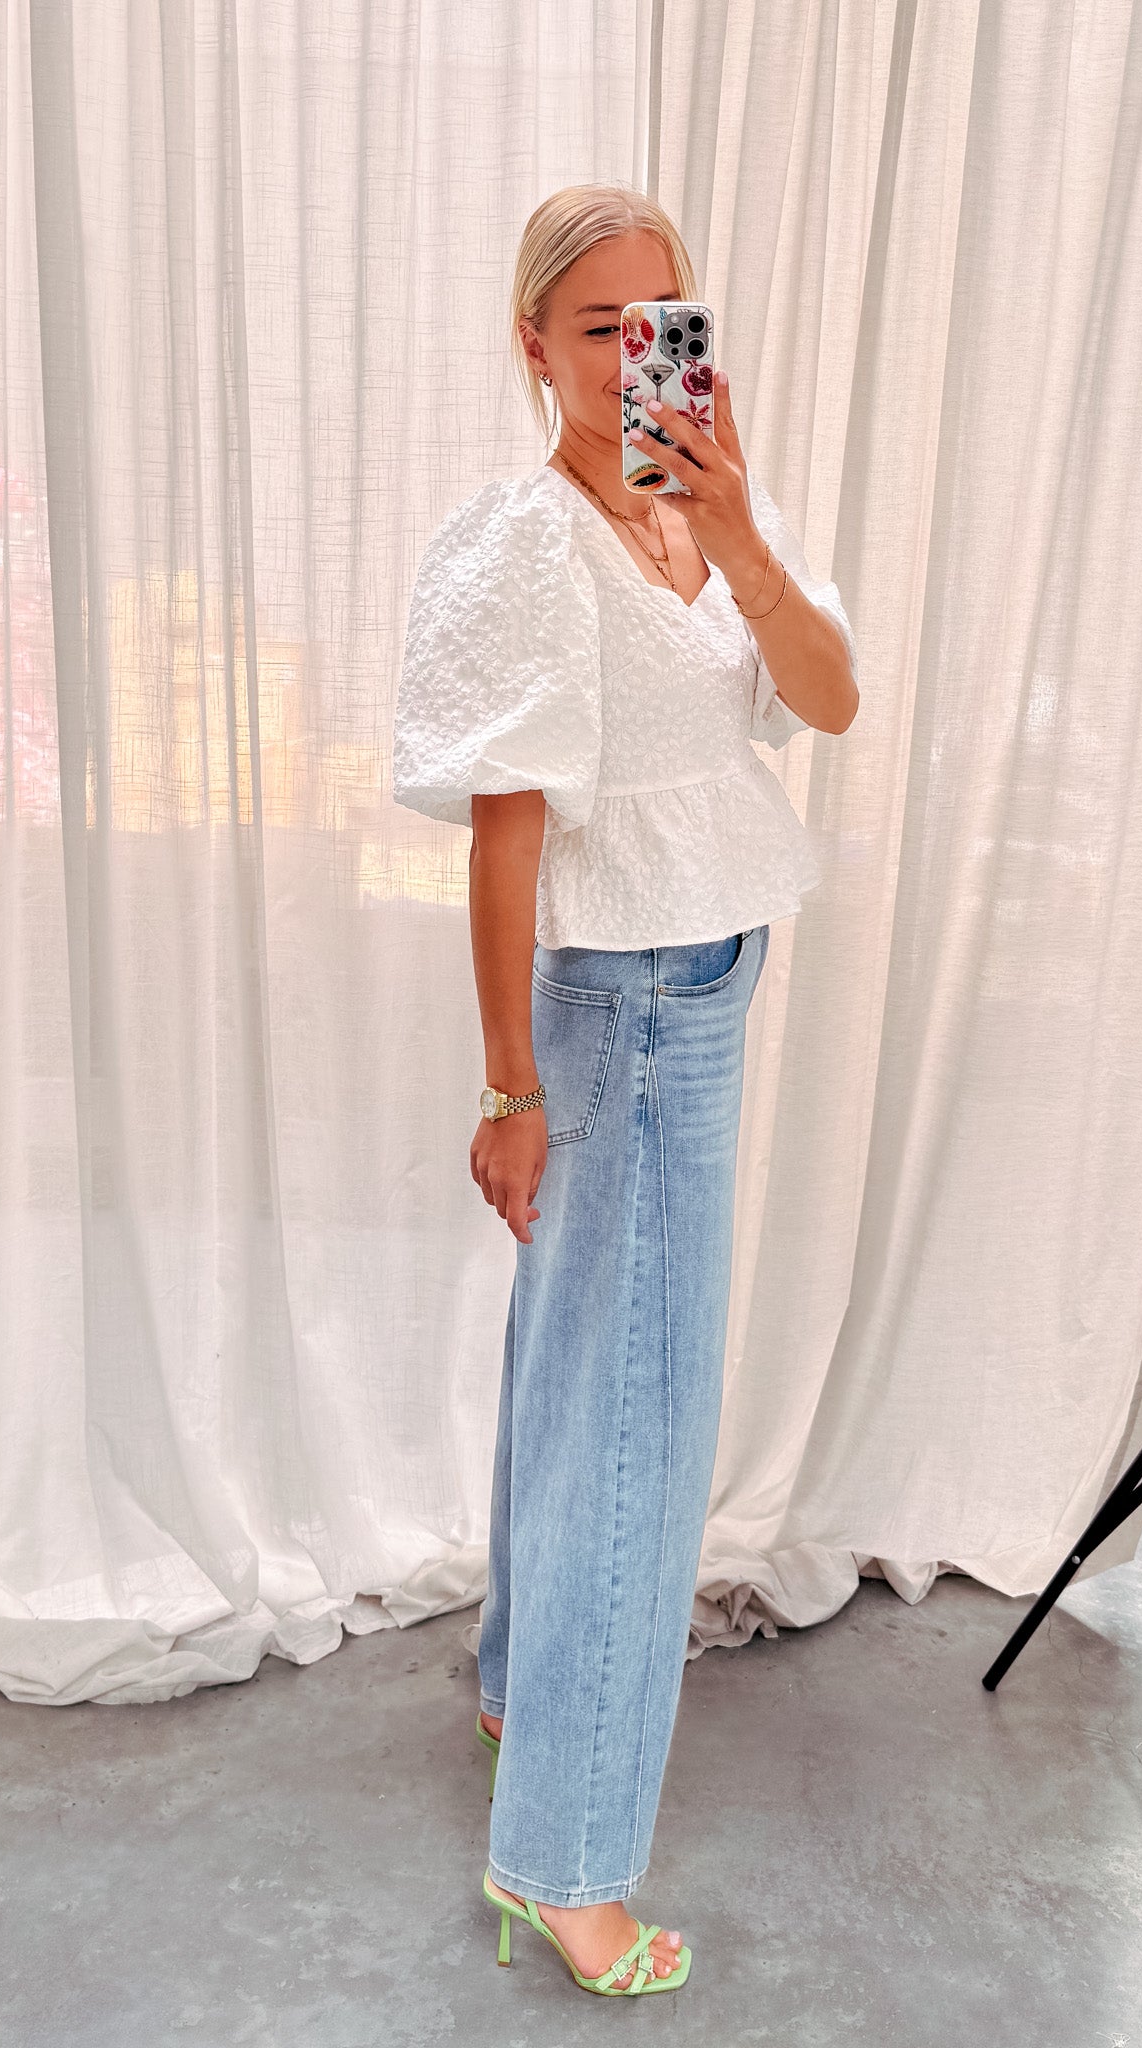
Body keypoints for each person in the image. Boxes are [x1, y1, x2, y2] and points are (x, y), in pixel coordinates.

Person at [392, 184, 858, 1997]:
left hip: (704, 974)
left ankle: (526, 1694)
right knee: (636, 1419)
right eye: (595, 325)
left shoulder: (704, 503)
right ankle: (569, 1867)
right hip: (622, 1003)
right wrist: (505, 1085)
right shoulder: (525, 546)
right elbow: (505, 833)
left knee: (578, 1371)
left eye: (660, 318)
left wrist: (734, 527)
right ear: (532, 345)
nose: (632, 353)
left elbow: (823, 701)